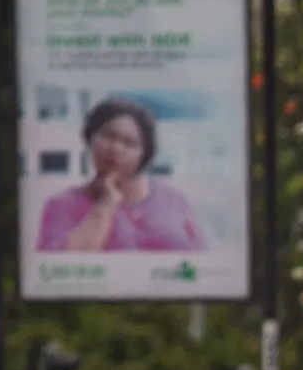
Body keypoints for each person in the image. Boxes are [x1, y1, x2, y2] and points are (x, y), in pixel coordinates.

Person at [34, 99, 206, 256]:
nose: (115, 148)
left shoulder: (175, 201)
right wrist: (106, 205)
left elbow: (203, 261)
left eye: (129, 143)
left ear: (144, 155)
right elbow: (59, 270)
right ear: (91, 138)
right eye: (107, 136)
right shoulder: (61, 205)